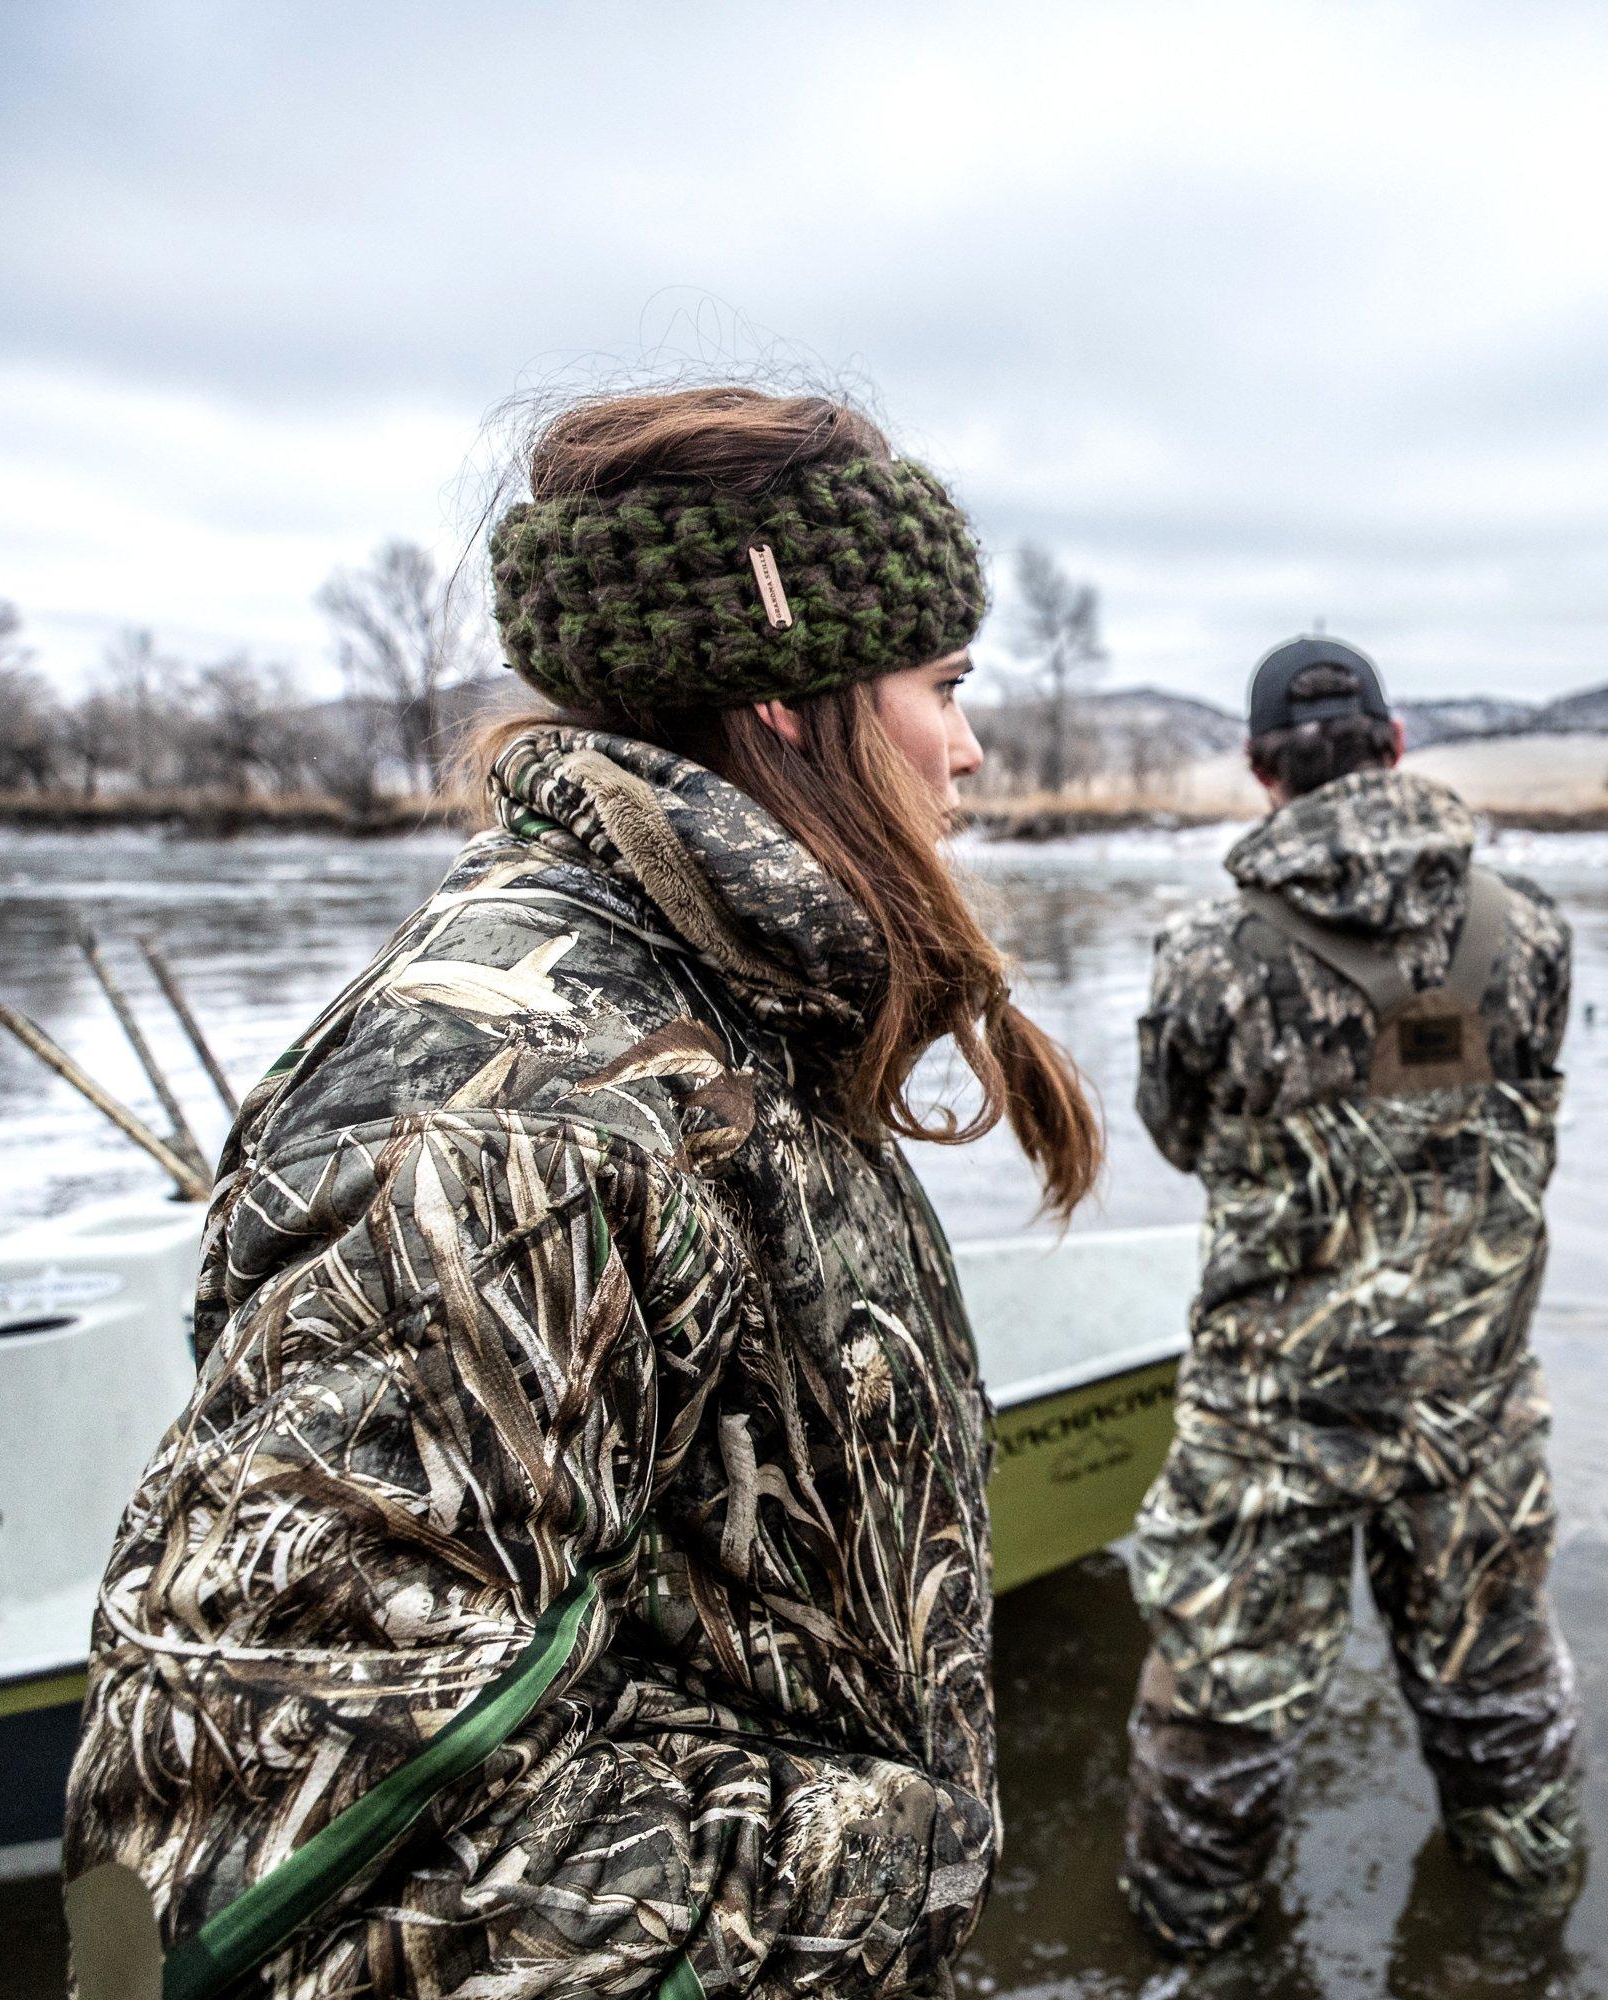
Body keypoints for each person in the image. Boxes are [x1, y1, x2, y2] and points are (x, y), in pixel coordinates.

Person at [61, 387, 1101, 2000]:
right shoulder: (515, 1112)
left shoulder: (731, 998)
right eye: (944, 688)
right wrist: (889, 1863)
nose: (969, 747)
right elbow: (264, 1849)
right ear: (784, 697)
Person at [1122, 636, 1583, 1952]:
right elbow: (1534, 1095)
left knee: (1216, 1730)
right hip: (1476, 1416)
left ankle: (1195, 1960)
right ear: (1395, 745)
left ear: (1263, 772)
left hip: (1270, 1430)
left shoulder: (1206, 956)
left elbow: (1182, 1135)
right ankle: (1522, 1945)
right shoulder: (1531, 928)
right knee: (1503, 1710)